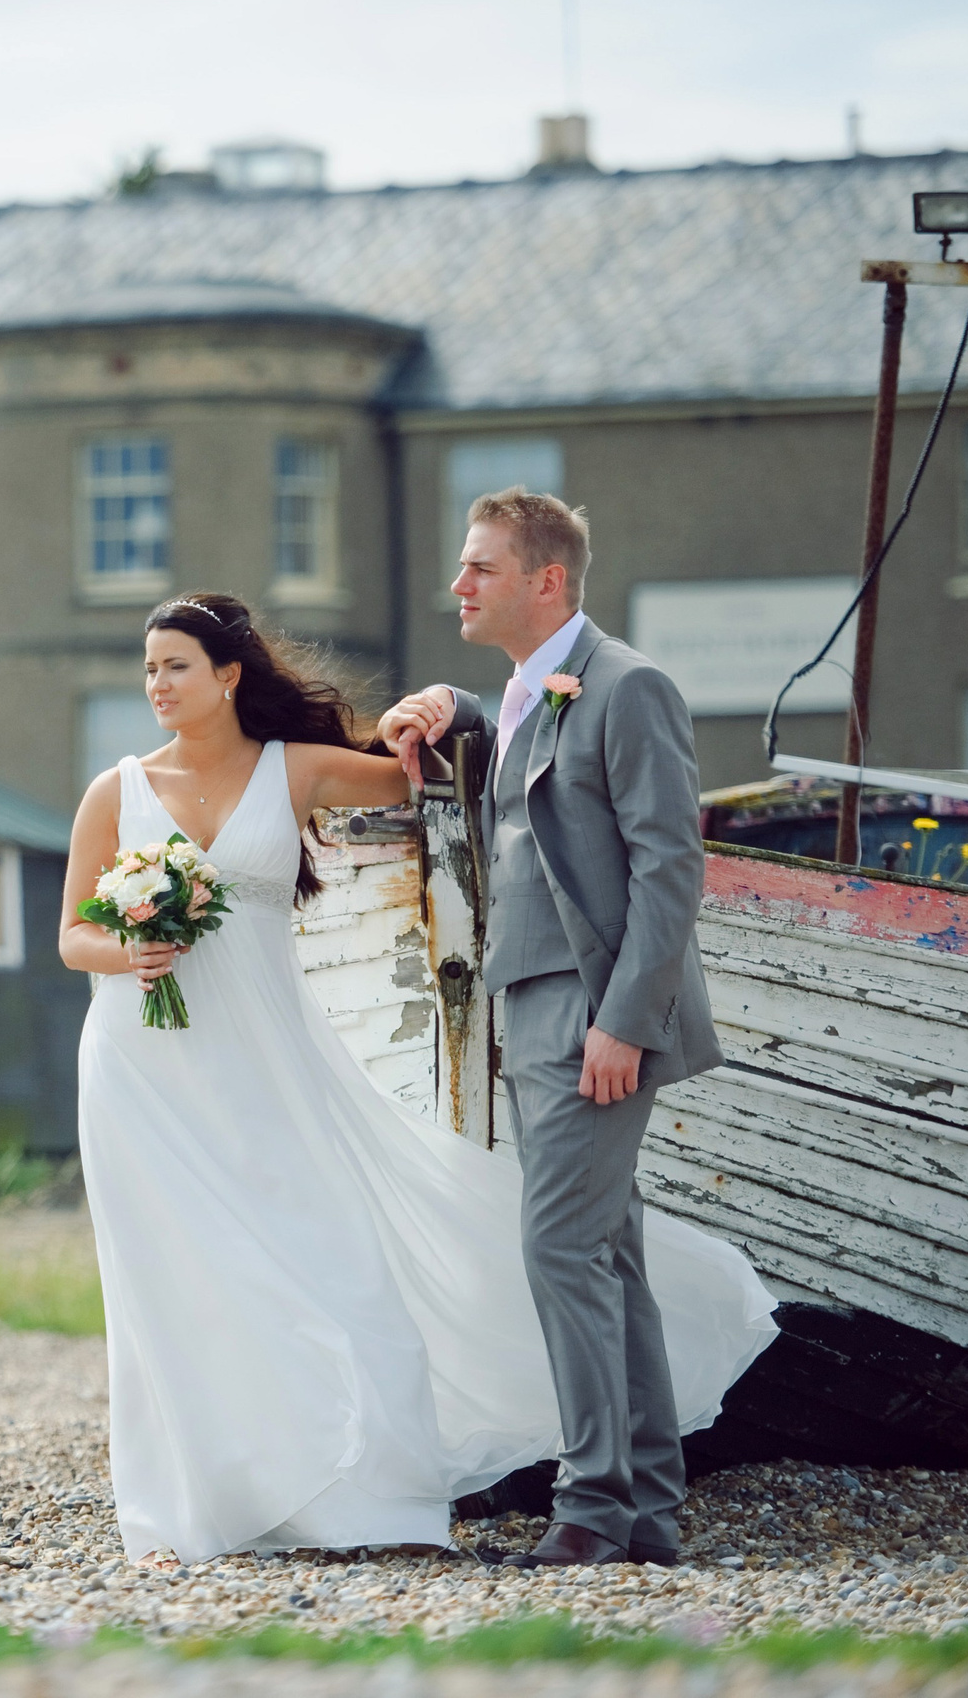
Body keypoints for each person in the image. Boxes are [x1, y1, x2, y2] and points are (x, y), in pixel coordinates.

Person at [61, 585, 773, 1566]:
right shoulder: (117, 791)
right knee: (171, 1282)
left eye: (174, 666)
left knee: (336, 1263)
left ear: (227, 676)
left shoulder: (295, 769)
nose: (156, 685)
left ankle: (369, 1498)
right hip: (140, 1066)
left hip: (266, 1059)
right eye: (148, 669)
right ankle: (199, 1507)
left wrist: (430, 710)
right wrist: (129, 950)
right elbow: (72, 934)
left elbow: (433, 780)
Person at [375, 489, 738, 1568]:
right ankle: (644, 1512)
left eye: (479, 567)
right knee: (605, 1254)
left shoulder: (632, 688)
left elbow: (672, 868)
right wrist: (453, 709)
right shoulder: (529, 689)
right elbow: (530, 784)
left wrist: (624, 1021)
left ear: (545, 581)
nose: (459, 584)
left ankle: (592, 1505)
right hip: (527, 1004)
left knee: (559, 1248)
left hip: (590, 1013)